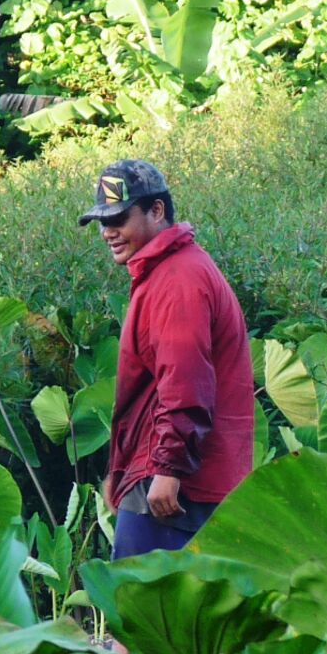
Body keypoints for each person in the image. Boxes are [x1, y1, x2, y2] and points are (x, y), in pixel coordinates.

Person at [80, 159, 254, 559]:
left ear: (157, 211)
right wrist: (123, 471)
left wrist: (168, 470)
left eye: (119, 218)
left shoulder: (178, 279)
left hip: (178, 483)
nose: (108, 232)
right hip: (160, 471)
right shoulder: (167, 271)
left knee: (138, 609)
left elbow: (185, 385)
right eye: (102, 223)